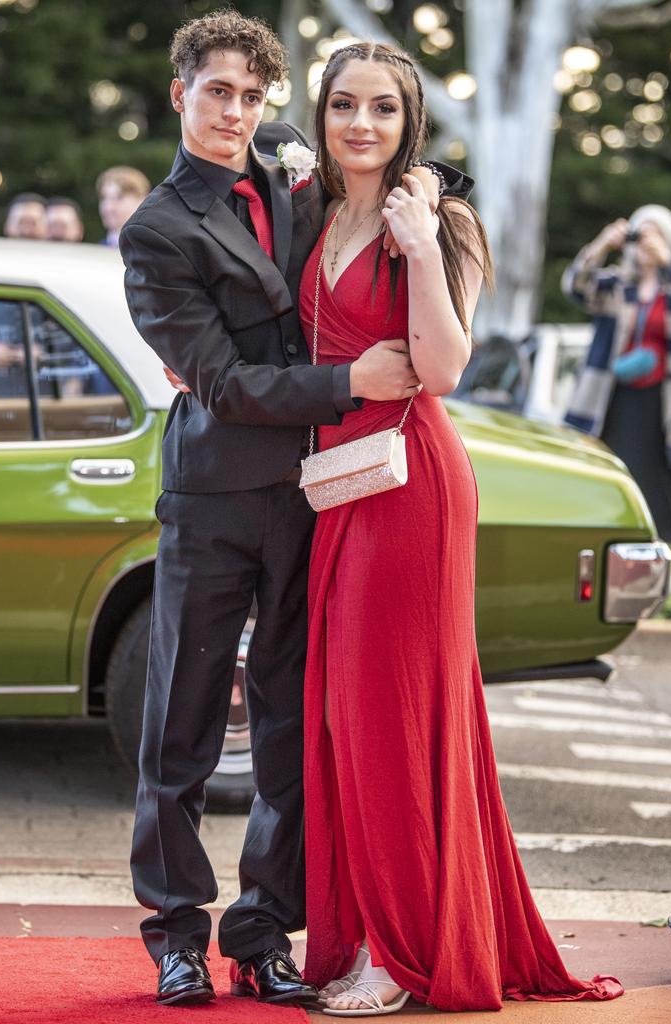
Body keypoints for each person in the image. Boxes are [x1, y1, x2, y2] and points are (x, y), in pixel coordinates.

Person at [119, 9, 471, 1008]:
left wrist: (430, 187)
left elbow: (393, 176)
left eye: (249, 94)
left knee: (290, 734)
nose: (233, 110)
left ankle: (264, 929)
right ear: (181, 92)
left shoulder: (292, 184)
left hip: (319, 502)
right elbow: (222, 381)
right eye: (215, 90)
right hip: (211, 499)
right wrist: (351, 380)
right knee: (180, 735)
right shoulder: (154, 229)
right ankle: (176, 934)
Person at [299, 42, 624, 1015]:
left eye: (384, 109)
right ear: (323, 115)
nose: (362, 125)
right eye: (345, 105)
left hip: (412, 484)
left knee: (388, 714)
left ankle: (401, 956)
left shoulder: (443, 220)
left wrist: (423, 241)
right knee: (345, 716)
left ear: (411, 125)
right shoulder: (315, 216)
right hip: (337, 478)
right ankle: (374, 931)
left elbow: (443, 367)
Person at [563, 206, 671, 541]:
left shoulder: (669, 290)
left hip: (660, 400)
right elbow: (576, 287)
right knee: (611, 462)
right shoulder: (617, 284)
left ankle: (657, 541)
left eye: (655, 233)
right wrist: (602, 244)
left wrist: (668, 264)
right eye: (641, 234)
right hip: (612, 394)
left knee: (655, 472)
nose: (646, 243)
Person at [97, 166, 150, 246]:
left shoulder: (154, 250)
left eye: (119, 198)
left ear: (142, 200)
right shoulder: (93, 253)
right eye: (104, 198)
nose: (108, 207)